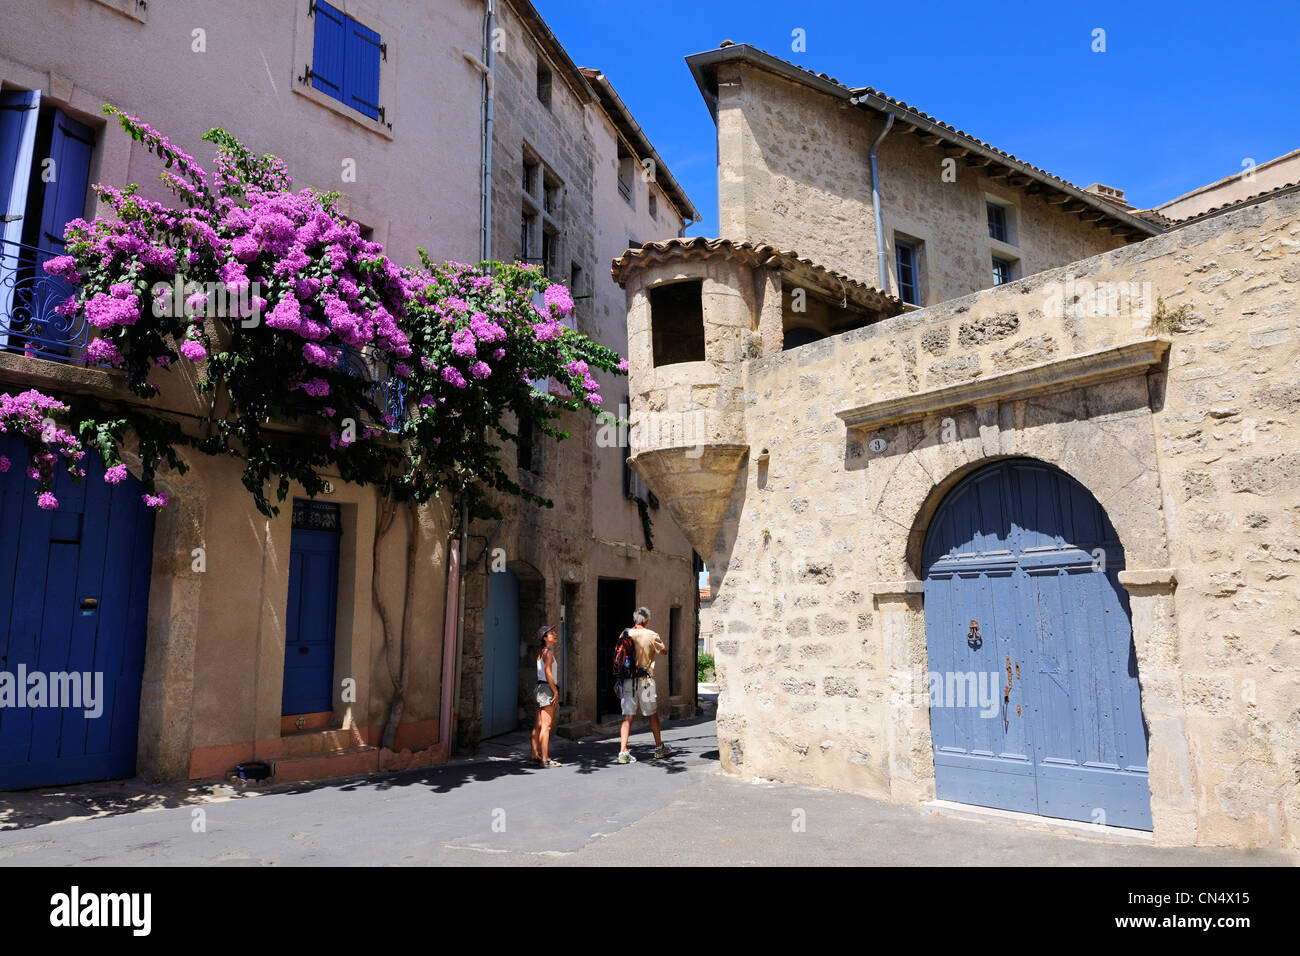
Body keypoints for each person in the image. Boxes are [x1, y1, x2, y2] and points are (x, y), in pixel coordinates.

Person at [616, 606, 671, 764]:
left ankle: (623, 751)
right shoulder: (651, 635)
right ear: (647, 620)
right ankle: (659, 748)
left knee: (627, 716)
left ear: (634, 619)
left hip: (627, 680)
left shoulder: (625, 633)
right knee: (652, 714)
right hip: (645, 681)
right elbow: (664, 650)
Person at [531, 625, 561, 767]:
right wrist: (555, 690)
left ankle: (534, 754)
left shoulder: (541, 652)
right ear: (545, 638)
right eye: (551, 633)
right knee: (546, 727)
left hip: (539, 688)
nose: (554, 635)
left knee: (538, 725)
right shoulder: (548, 653)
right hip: (546, 688)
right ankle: (545, 758)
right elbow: (549, 674)